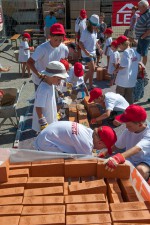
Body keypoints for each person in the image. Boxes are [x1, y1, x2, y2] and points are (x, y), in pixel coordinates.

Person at [104, 104, 150, 181]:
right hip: (131, 158)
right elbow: (117, 146)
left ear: (140, 124)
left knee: (140, 170)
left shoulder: (148, 134)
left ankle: (147, 180)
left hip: (145, 160)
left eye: (129, 125)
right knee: (114, 169)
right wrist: (105, 154)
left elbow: (137, 148)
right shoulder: (129, 130)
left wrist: (118, 158)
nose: (126, 127)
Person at [34, 120, 117, 155]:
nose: (101, 149)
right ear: (100, 142)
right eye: (104, 147)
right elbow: (86, 163)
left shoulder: (88, 131)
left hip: (46, 134)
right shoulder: (86, 144)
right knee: (69, 160)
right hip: (45, 143)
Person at [27, 23, 69, 91]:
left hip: (54, 80)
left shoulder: (63, 48)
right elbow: (29, 62)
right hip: (41, 81)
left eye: (60, 40)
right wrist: (39, 75)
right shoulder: (42, 49)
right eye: (56, 40)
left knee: (53, 99)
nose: (58, 42)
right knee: (42, 99)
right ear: (50, 36)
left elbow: (64, 62)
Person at [32, 61, 68, 133]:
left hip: (50, 117)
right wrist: (43, 122)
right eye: (59, 79)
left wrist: (55, 113)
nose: (59, 82)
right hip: (45, 122)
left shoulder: (50, 83)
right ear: (52, 76)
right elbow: (38, 107)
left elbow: (55, 90)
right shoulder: (43, 89)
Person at [114, 35, 138, 105]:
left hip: (123, 79)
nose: (119, 47)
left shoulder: (125, 52)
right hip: (131, 79)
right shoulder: (134, 51)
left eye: (119, 45)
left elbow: (125, 65)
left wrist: (116, 70)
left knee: (119, 95)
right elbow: (134, 61)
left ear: (121, 44)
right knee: (129, 96)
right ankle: (131, 109)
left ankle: (119, 110)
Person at [79, 14, 100, 90]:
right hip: (86, 54)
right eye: (93, 25)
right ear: (90, 24)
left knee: (92, 70)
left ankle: (90, 85)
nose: (95, 27)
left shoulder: (95, 31)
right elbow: (80, 43)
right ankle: (82, 83)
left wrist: (99, 48)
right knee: (92, 69)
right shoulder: (85, 32)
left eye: (96, 25)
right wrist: (85, 51)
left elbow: (95, 41)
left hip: (93, 52)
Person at [135, 0, 150, 65]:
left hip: (145, 39)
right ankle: (138, 67)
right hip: (141, 38)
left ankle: (143, 70)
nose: (138, 9)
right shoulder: (144, 14)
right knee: (139, 52)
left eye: (139, 7)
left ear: (144, 6)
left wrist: (142, 37)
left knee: (144, 54)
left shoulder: (148, 15)